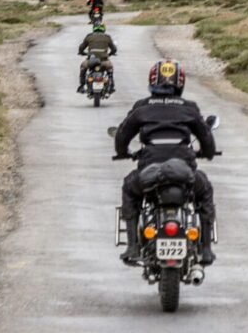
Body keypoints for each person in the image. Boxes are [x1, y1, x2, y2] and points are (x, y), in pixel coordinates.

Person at [114, 59, 217, 266]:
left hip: (149, 172)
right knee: (204, 190)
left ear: (152, 80)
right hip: (184, 171)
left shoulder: (141, 107)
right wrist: (206, 152)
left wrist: (123, 152)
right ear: (180, 82)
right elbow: (207, 140)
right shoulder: (189, 108)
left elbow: (122, 136)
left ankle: (132, 245)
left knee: (129, 188)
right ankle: (206, 248)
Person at [77, 23, 117, 93]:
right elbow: (114, 49)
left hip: (91, 61)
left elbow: (81, 47)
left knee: (83, 67)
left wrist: (81, 52)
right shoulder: (107, 37)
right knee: (110, 70)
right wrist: (111, 53)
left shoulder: (89, 36)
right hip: (104, 61)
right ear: (103, 29)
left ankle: (82, 86)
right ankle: (111, 86)